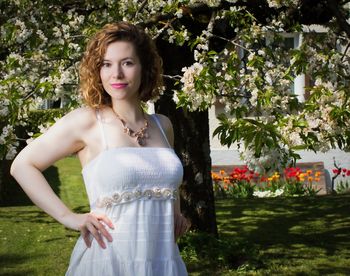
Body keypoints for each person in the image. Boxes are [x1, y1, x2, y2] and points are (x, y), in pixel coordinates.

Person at [10, 22, 190, 276]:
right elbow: (22, 166)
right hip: (109, 261)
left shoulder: (163, 125)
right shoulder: (86, 121)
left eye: (127, 63)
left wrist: (176, 214)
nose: (116, 74)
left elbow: (169, 185)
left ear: (145, 68)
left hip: (163, 261)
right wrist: (69, 217)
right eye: (106, 64)